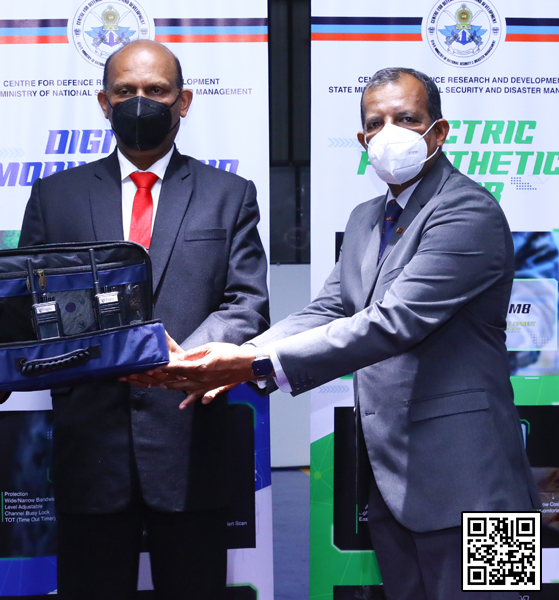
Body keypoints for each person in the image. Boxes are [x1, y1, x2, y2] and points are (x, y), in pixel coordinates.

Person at [142, 67, 539, 600]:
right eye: (377, 122)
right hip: (397, 484)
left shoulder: (468, 210)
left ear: (438, 132)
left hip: (481, 490)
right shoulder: (365, 219)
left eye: (408, 119)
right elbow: (330, 307)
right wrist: (241, 350)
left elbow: (392, 322)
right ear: (362, 140)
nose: (390, 131)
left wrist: (254, 366)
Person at [18, 40, 270, 600]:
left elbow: (248, 303)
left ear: (183, 102)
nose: (140, 102)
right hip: (91, 447)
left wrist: (186, 356)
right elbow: (29, 307)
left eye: (155, 91)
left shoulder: (229, 195)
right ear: (103, 103)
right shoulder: (55, 196)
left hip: (189, 444)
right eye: (126, 91)